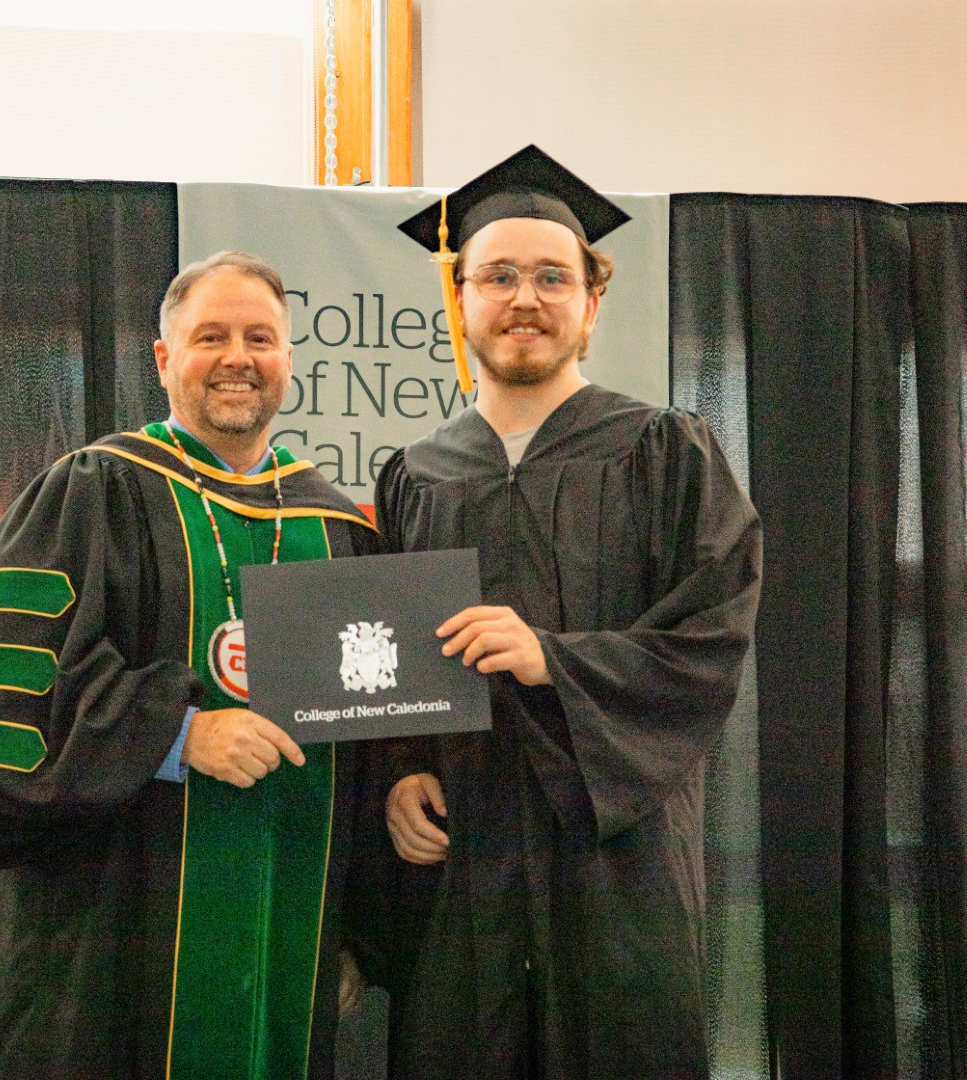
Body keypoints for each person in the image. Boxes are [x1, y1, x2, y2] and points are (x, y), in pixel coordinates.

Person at [0, 251, 378, 1080]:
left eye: (260, 338)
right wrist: (176, 735)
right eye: (211, 337)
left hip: (289, 928)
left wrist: (353, 929)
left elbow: (365, 749)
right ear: (165, 359)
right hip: (115, 930)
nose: (238, 357)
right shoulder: (91, 491)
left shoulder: (338, 527)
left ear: (288, 360)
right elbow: (9, 705)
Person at [366, 145, 763, 1079]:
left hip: (615, 857)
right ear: (459, 298)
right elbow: (381, 653)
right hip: (461, 857)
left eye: (553, 277)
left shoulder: (664, 451)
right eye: (498, 276)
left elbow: (712, 633)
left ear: (592, 303)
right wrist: (401, 772)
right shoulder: (415, 476)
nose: (526, 298)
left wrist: (555, 659)